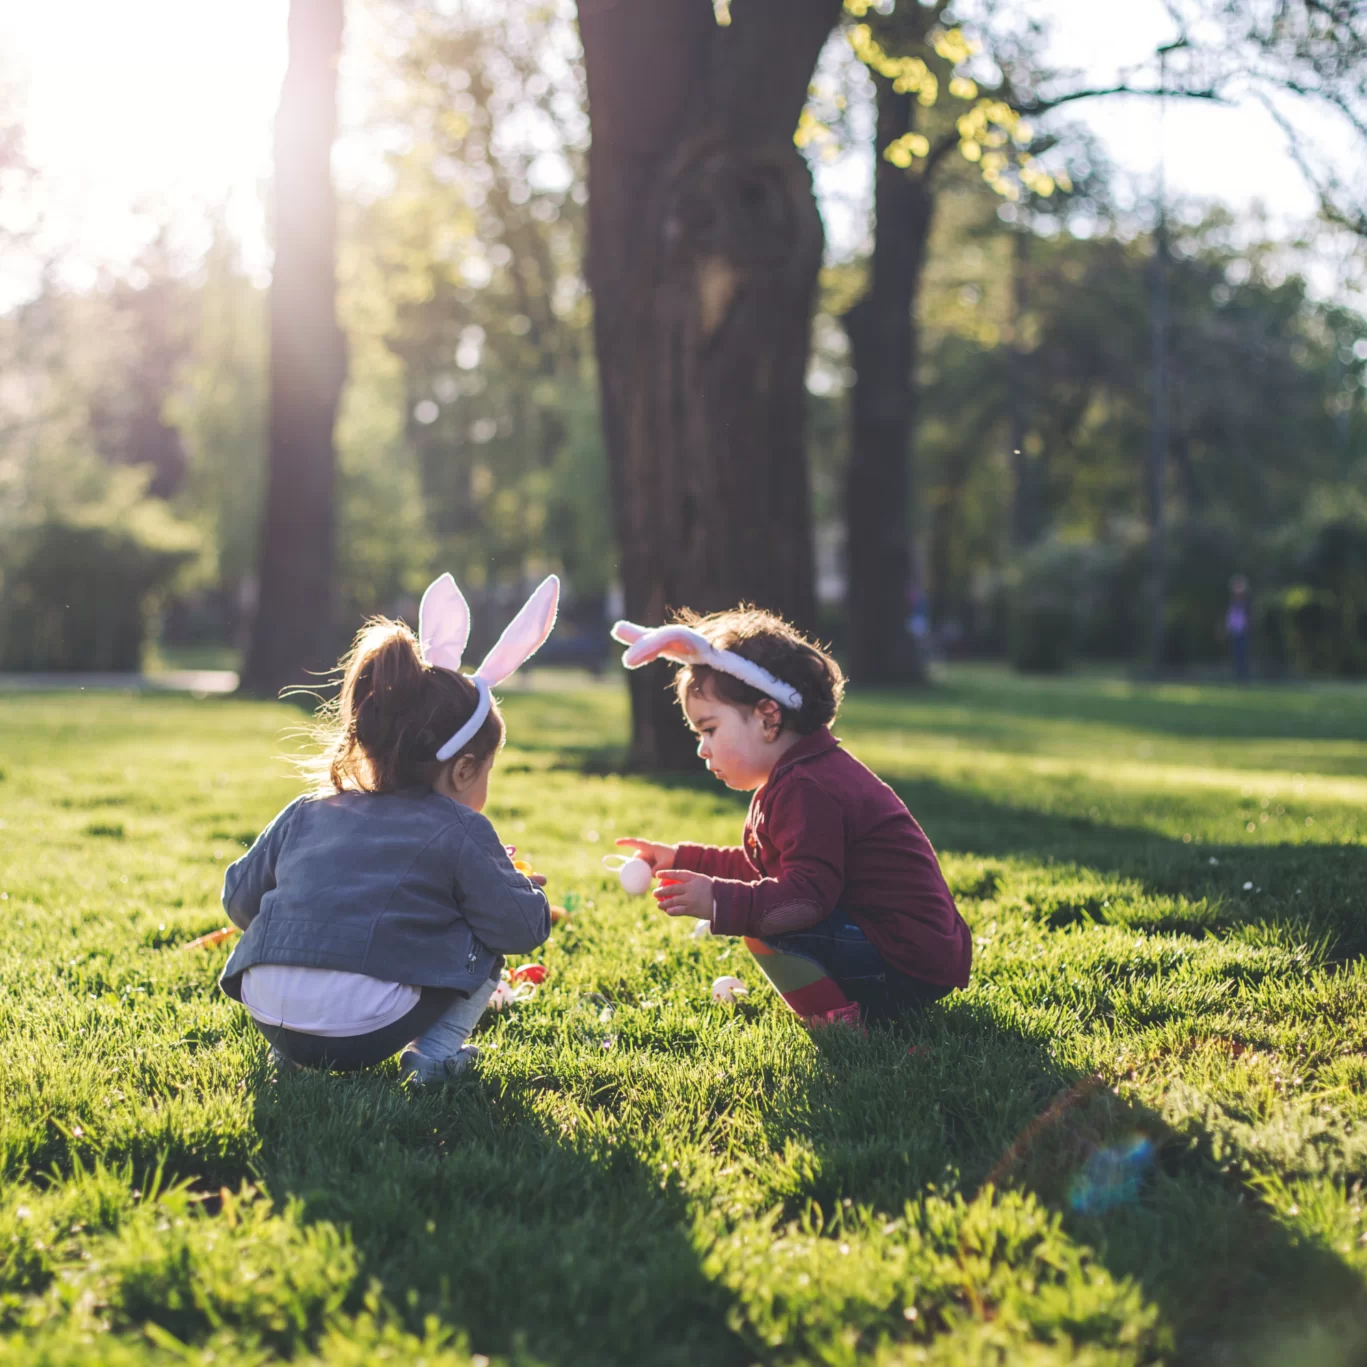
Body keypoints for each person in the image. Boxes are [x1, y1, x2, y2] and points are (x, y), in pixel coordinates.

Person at [218, 572, 559, 1082]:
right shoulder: (460, 827)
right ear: (463, 769)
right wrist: (518, 889)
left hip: (268, 1010)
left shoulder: (308, 811)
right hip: (368, 1026)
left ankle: (291, 1053)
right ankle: (434, 1056)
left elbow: (239, 902)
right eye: (486, 772)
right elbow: (516, 928)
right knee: (484, 932)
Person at [611, 607, 971, 1028]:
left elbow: (805, 899)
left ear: (768, 718)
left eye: (709, 730)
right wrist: (679, 858)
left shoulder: (809, 787)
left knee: (767, 925)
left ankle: (838, 1021)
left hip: (903, 960)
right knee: (761, 904)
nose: (702, 749)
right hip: (909, 951)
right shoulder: (800, 775)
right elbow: (761, 868)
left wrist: (719, 902)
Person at [1225, 574, 1251, 682]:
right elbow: (1230, 616)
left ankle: (1243, 677)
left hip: (1243, 632)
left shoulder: (1247, 602)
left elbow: (1250, 617)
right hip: (1234, 631)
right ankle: (1237, 676)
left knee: (1243, 654)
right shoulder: (1231, 601)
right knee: (1236, 655)